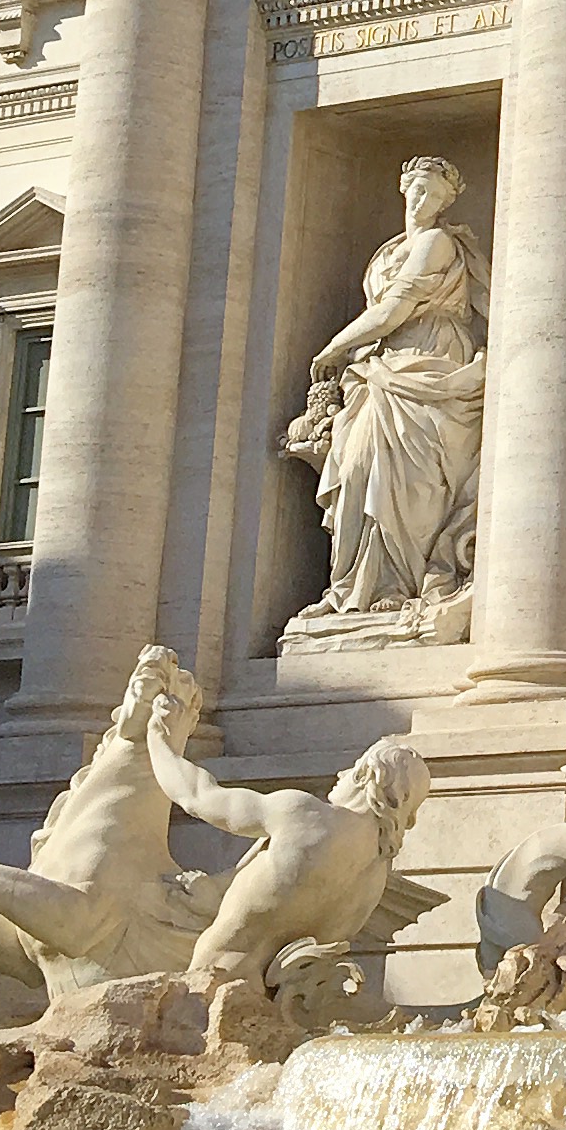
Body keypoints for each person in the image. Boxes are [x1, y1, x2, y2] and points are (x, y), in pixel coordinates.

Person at [281, 157, 487, 639]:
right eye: (417, 191)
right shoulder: (388, 250)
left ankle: (401, 586)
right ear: (402, 190)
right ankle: (354, 589)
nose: (422, 202)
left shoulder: (438, 243)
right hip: (381, 367)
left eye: (433, 196)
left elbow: (396, 307)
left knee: (413, 485)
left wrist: (336, 346)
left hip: (429, 358)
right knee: (358, 470)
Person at [145, 703, 432, 988]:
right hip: (273, 1004)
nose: (342, 772)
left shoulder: (305, 816)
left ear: (364, 777)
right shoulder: (372, 881)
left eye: (353, 767)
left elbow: (196, 795)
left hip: (214, 978)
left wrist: (158, 739)